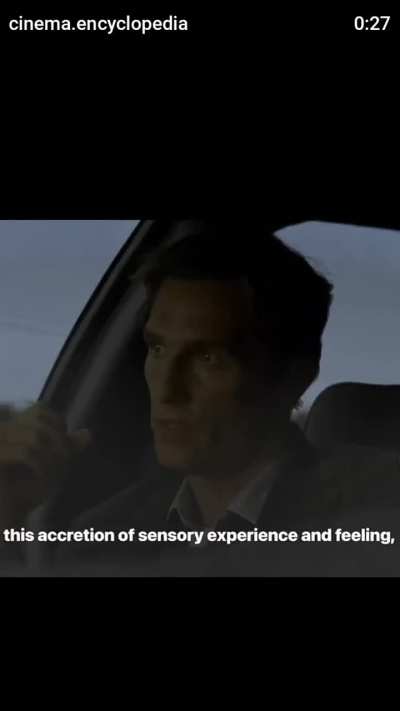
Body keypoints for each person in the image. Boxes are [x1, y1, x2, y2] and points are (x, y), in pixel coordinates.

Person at [2, 224, 400, 576]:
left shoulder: (372, 509)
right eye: (158, 349)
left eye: (208, 357)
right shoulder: (103, 536)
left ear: (295, 374)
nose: (167, 390)